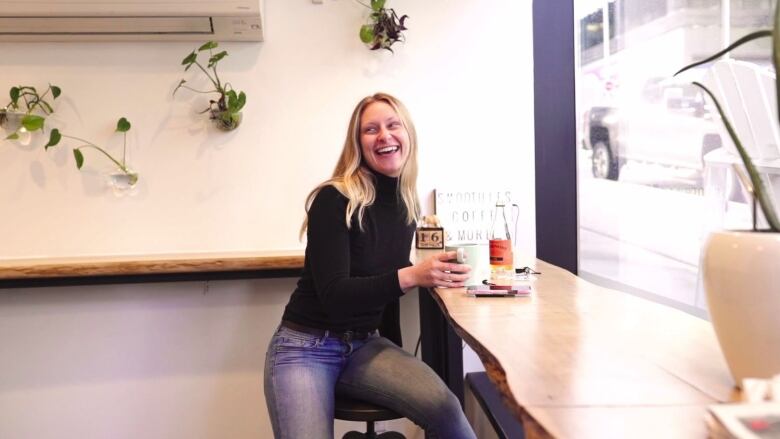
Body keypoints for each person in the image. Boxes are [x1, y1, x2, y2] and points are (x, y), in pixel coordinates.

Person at [264, 92, 477, 439]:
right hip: (305, 348)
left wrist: (395, 354)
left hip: (365, 345)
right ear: (357, 144)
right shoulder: (335, 199)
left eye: (393, 126)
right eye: (370, 130)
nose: (384, 136)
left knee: (446, 410)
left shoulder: (406, 205)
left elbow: (383, 294)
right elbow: (335, 295)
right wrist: (412, 276)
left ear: (408, 134)